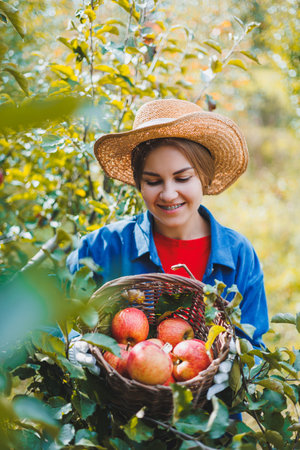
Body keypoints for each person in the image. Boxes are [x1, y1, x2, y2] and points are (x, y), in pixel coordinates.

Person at [67, 98, 269, 351]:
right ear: (139, 184)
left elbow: (254, 345)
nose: (168, 194)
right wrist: (72, 343)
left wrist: (238, 361)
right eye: (153, 181)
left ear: (204, 178)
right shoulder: (101, 248)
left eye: (182, 178)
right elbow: (54, 315)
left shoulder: (238, 256)